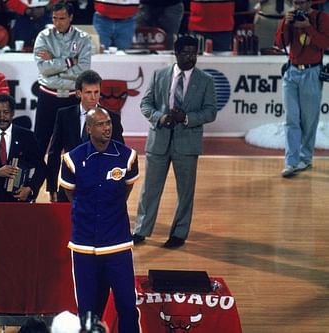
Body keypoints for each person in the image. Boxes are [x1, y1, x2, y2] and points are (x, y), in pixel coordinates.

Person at [59, 108, 140, 333]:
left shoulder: (127, 157)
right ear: (89, 128)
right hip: (84, 246)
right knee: (87, 311)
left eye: (108, 123)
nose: (107, 128)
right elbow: (72, 195)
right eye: (101, 124)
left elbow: (126, 189)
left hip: (118, 244)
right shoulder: (71, 159)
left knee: (127, 306)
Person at [132, 35, 217, 248]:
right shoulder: (159, 75)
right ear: (176, 54)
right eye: (186, 53)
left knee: (185, 192)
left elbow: (211, 111)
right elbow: (145, 104)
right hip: (159, 140)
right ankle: (141, 230)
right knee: (149, 190)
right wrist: (160, 118)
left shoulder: (206, 80)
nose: (191, 57)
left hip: (187, 144)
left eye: (194, 53)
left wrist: (186, 118)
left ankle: (178, 234)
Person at [47, 69, 124, 202]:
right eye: (88, 92)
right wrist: (52, 187)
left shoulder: (112, 118)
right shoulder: (64, 115)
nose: (93, 97)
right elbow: (54, 153)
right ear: (78, 93)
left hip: (101, 187)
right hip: (69, 184)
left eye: (96, 92)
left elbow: (119, 154)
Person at [275, 0, 329, 177]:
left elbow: (325, 44)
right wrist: (285, 23)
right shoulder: (290, 18)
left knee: (308, 120)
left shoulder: (321, 17)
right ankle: (291, 162)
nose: (298, 6)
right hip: (291, 71)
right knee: (291, 118)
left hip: (312, 72)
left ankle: (305, 158)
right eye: (295, 2)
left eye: (302, 2)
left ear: (309, 2)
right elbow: (279, 42)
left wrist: (308, 27)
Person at [33, 0, 91, 155]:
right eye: (54, 18)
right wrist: (70, 61)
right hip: (48, 96)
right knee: (40, 142)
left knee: (73, 144)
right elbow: (43, 68)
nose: (57, 23)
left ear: (71, 17)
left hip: (72, 98)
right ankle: (36, 179)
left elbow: (83, 71)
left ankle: (72, 179)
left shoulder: (83, 38)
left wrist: (54, 63)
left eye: (62, 18)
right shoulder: (43, 36)